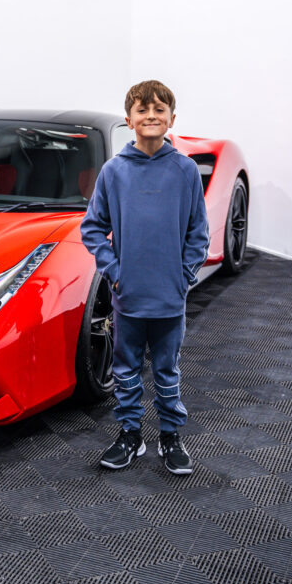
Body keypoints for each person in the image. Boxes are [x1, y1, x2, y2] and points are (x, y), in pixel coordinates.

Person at [80, 80, 209, 475]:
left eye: (159, 109)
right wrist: (115, 273)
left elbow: (198, 234)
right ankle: (130, 435)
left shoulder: (185, 171)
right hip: (128, 296)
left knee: (167, 371)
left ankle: (170, 435)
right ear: (129, 119)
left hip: (169, 296)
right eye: (142, 109)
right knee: (126, 370)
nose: (151, 116)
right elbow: (92, 228)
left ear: (172, 118)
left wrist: (183, 276)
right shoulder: (113, 172)